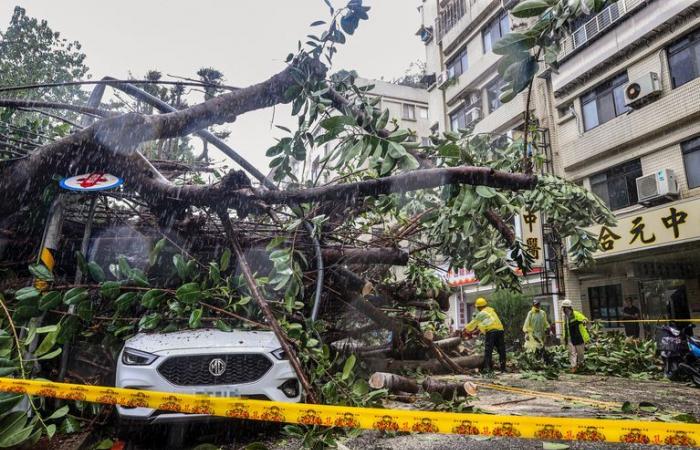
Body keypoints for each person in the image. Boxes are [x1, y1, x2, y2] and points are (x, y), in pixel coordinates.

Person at [464, 297, 506, 373]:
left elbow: (472, 325)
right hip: (500, 330)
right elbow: (485, 324)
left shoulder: (481, 313)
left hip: (492, 332)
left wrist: (465, 329)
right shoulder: (491, 311)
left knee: (488, 351)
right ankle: (503, 368)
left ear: (478, 307)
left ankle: (488, 369)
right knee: (501, 350)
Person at [561, 299, 589, 373]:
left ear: (569, 307)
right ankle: (573, 366)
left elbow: (585, 319)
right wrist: (564, 337)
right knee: (571, 352)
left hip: (578, 336)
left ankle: (581, 364)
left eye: (565, 307)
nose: (564, 309)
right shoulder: (564, 317)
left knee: (580, 353)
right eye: (563, 307)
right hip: (570, 337)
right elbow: (565, 327)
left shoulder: (576, 314)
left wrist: (584, 321)